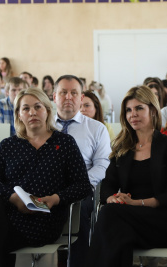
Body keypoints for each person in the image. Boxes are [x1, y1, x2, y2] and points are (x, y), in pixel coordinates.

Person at [0, 88, 92, 267]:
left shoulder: (64, 143)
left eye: (37, 107)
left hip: (45, 218)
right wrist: (13, 197)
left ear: (47, 111)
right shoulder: (8, 145)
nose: (32, 112)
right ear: (19, 115)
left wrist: (56, 199)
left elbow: (83, 185)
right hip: (9, 214)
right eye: (25, 108)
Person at [85, 85, 167, 267]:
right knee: (117, 228)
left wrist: (136, 203)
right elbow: (107, 185)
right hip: (128, 219)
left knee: (111, 220)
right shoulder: (122, 149)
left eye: (139, 108)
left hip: (165, 221)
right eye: (128, 110)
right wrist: (113, 198)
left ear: (153, 111)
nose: (132, 114)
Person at [53, 75, 111, 267]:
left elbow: (102, 165)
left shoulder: (97, 129)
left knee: (79, 208)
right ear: (54, 96)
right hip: (47, 187)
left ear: (81, 97)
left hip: (84, 189)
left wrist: (79, 185)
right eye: (63, 92)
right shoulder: (43, 126)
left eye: (74, 93)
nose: (68, 97)